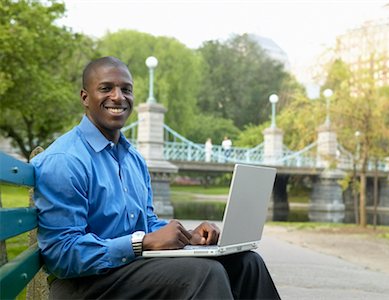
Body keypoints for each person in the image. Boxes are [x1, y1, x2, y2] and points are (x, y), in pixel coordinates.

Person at [32, 56, 280, 299]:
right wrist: (142, 243)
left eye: (126, 89)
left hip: (128, 268)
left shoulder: (133, 159)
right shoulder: (65, 159)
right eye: (106, 88)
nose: (118, 97)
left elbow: (146, 223)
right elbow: (62, 255)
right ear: (85, 97)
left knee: (247, 263)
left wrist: (189, 235)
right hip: (84, 284)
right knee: (204, 273)